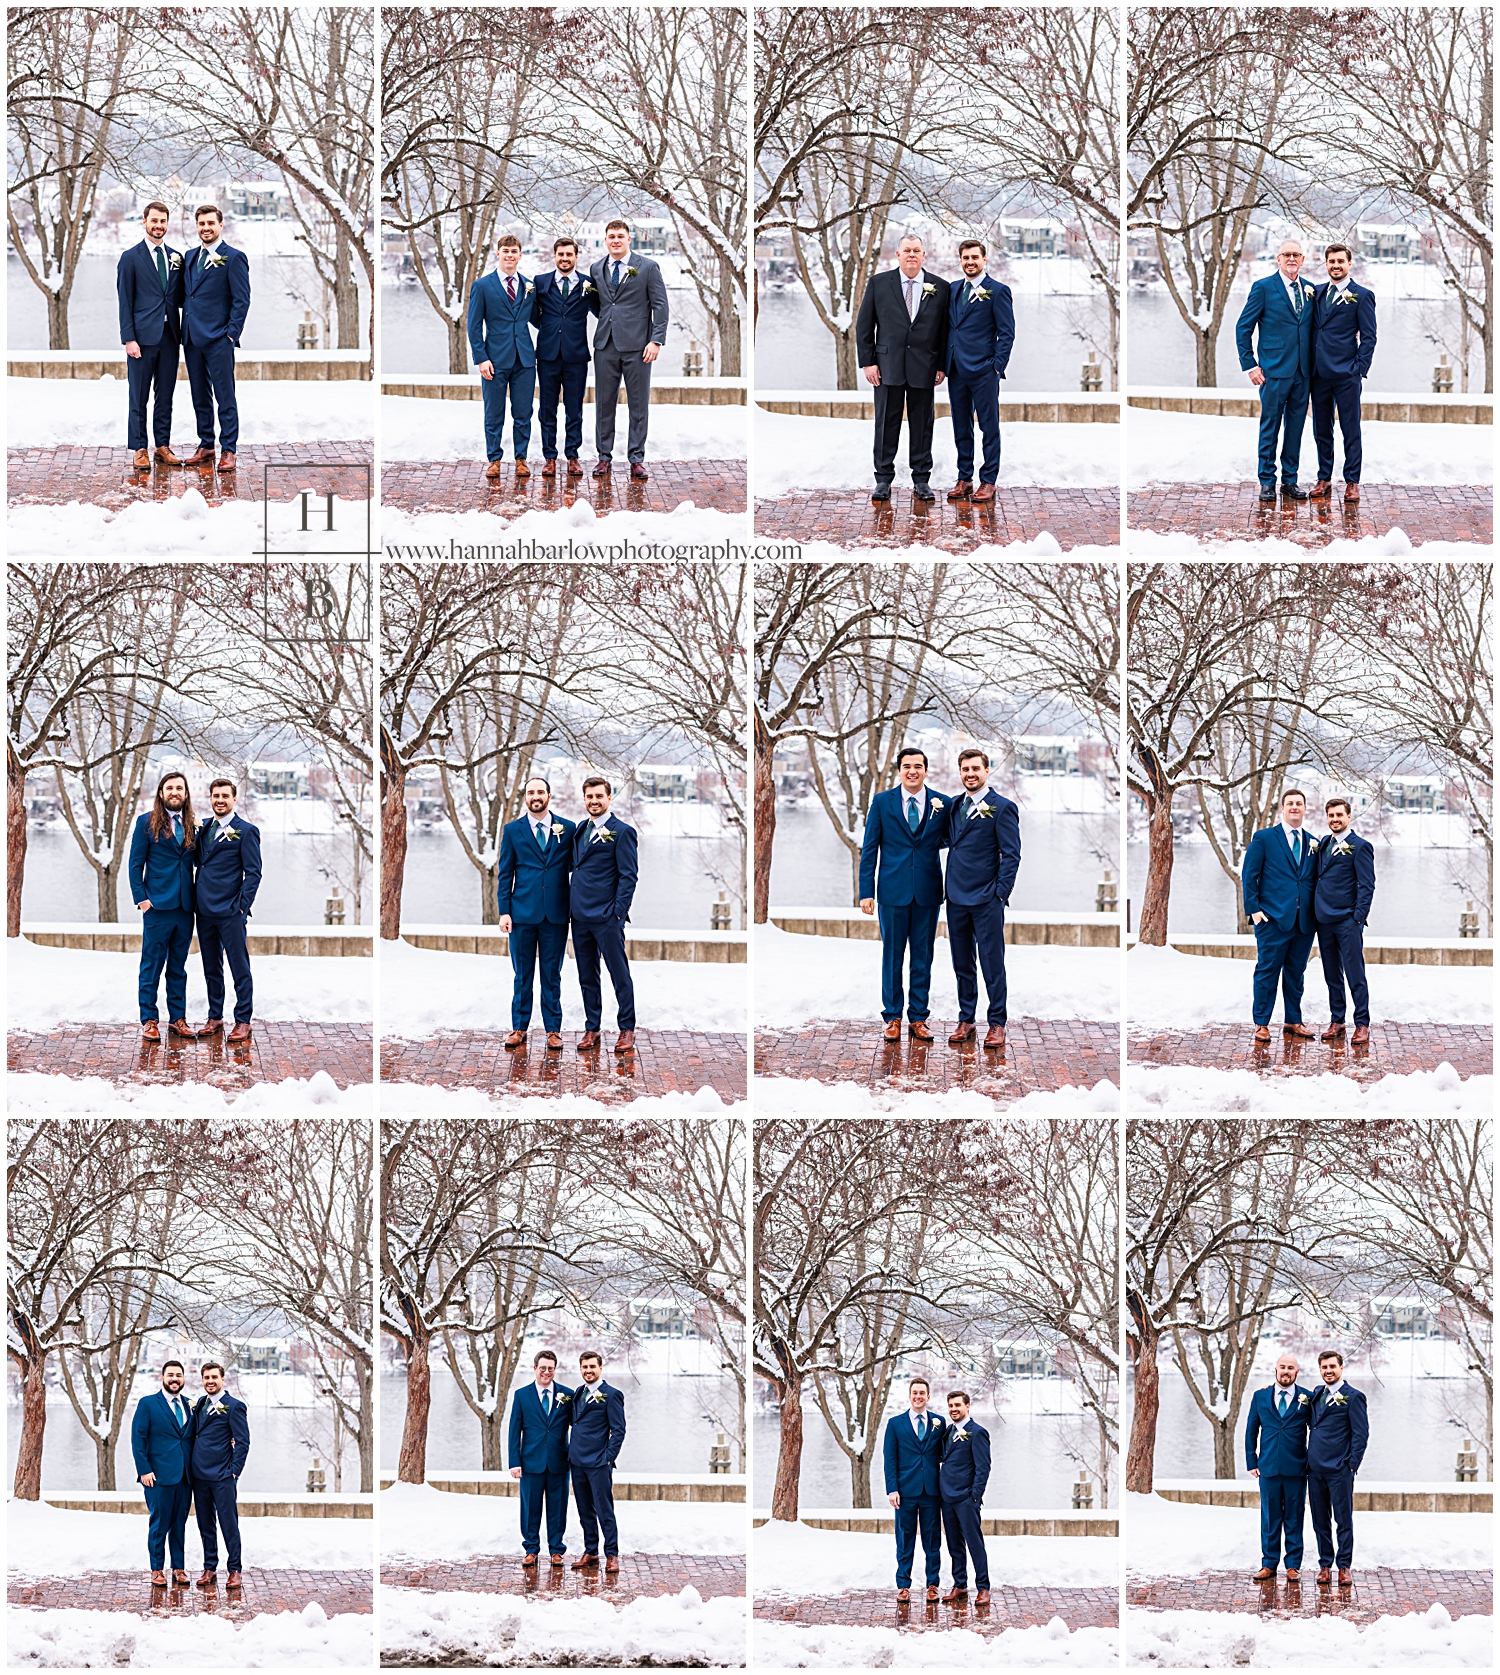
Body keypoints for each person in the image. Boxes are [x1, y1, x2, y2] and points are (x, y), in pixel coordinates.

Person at [858, 748, 950, 1042]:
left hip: (927, 892)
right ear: (900, 770)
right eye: (907, 766)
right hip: (891, 892)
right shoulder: (882, 802)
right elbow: (869, 848)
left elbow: (954, 841)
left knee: (923, 959)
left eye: (918, 766)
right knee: (892, 957)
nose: (913, 771)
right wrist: (865, 892)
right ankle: (892, 1017)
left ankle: (919, 1018)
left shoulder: (942, 804)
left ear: (926, 770)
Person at [855, 235, 950, 503]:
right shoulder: (878, 284)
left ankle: (921, 480)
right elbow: (864, 327)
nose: (911, 255)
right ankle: (883, 479)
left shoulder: (940, 287)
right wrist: (868, 362)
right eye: (907, 250)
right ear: (897, 254)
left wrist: (941, 365)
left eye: (916, 250)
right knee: (886, 423)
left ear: (924, 255)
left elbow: (945, 331)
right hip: (886, 367)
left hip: (925, 367)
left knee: (922, 425)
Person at [943, 749, 1021, 1051]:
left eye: (975, 768)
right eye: (965, 769)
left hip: (987, 899)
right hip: (956, 898)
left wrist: (1000, 894)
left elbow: (1012, 855)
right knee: (962, 963)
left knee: (992, 964)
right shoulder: (953, 806)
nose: (970, 774)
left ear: (987, 771)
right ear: (960, 772)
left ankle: (997, 1022)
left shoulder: (1002, 808)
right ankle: (966, 1019)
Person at [497, 776, 576, 1052]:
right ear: (525, 797)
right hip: (521, 915)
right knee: (522, 975)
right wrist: (504, 912)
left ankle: (553, 1030)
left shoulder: (567, 829)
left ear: (549, 796)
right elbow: (505, 874)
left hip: (555, 915)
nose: (536, 796)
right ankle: (519, 1027)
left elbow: (578, 866)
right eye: (531, 792)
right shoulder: (512, 831)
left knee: (552, 975)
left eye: (540, 792)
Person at [1234, 238, 1316, 503]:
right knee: (1270, 427)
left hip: (1303, 373)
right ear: (1278, 259)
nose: (1292, 259)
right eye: (1286, 254)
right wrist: (1250, 365)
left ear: (1303, 260)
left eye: (1297, 255)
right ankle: (1267, 481)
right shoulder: (1263, 288)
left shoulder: (1310, 289)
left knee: (1295, 427)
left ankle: (1289, 480)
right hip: (1273, 371)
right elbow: (1243, 328)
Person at [587, 220, 669, 479]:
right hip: (605, 346)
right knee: (604, 404)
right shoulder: (596, 268)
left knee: (638, 404)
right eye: (611, 236)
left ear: (629, 239)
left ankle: (636, 458)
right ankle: (603, 457)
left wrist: (656, 341)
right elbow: (600, 304)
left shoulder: (647, 267)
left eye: (620, 236)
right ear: (605, 239)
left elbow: (661, 306)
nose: (615, 241)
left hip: (638, 347)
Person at [1241, 788, 1319, 1043]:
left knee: (1296, 973)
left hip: (1303, 922)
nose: (1295, 807)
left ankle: (1293, 1021)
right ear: (1282, 809)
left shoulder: (1313, 842)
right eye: (1290, 803)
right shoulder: (1264, 838)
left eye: (1299, 803)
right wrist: (1255, 911)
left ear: (1305, 808)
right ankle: (1261, 1023)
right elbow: (1249, 875)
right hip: (1272, 920)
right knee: (1267, 971)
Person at [569, 776, 638, 1055]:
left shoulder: (622, 832)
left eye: (599, 796)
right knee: (587, 975)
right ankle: (592, 1028)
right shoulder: (579, 830)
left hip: (607, 918)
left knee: (619, 973)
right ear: (584, 799)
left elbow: (629, 876)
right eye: (589, 797)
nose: (594, 801)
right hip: (579, 917)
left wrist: (617, 913)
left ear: (609, 798)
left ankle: (627, 1028)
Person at [128, 771, 199, 1043]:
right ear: (161, 792)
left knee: (178, 967)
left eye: (180, 788)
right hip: (156, 906)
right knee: (152, 965)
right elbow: (135, 864)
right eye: (170, 788)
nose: (175, 792)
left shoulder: (193, 824)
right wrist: (142, 899)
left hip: (185, 907)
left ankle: (178, 1019)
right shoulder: (146, 823)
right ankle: (149, 1020)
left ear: (186, 793)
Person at [180, 205, 250, 473]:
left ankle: (228, 449)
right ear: (196, 226)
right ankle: (206, 444)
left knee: (225, 395)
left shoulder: (233, 258)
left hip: (220, 339)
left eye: (210, 223)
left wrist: (231, 334)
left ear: (221, 225)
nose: (205, 228)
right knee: (199, 395)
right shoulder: (189, 257)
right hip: (191, 338)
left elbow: (242, 300)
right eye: (201, 224)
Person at [116, 201, 185, 469]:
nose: (158, 226)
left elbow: (180, 296)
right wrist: (128, 339)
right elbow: (125, 302)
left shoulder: (177, 257)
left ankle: (162, 446)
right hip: (141, 340)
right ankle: (140, 448)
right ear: (144, 222)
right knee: (139, 395)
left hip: (170, 337)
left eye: (163, 221)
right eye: (154, 220)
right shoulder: (130, 258)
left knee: (165, 394)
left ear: (168, 224)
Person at [944, 240, 1013, 503]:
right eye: (965, 257)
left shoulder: (998, 291)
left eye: (974, 257)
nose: (969, 262)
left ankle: (988, 480)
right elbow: (951, 329)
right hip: (956, 369)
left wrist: (996, 366)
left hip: (984, 371)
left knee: (989, 427)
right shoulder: (952, 289)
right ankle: (964, 478)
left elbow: (1007, 333)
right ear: (960, 260)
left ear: (984, 259)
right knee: (961, 426)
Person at [193, 778, 262, 1042]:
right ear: (210, 798)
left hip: (231, 912)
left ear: (234, 799)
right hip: (204, 911)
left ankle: (243, 1020)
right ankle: (215, 1016)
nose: (219, 800)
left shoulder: (246, 831)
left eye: (225, 795)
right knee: (211, 967)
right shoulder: (204, 828)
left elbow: (254, 873)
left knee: (238, 966)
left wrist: (242, 906)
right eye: (215, 795)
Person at [1309, 243, 1377, 503]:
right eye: (1331, 261)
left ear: (1349, 264)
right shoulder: (1315, 293)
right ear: (1326, 264)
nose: (1335, 265)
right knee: (1321, 428)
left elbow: (1369, 337)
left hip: (1347, 374)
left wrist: (1359, 368)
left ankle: (1352, 481)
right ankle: (1324, 477)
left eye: (1340, 261)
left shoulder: (1362, 295)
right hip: (1318, 374)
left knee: (1351, 428)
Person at [469, 233, 538, 481]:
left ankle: (521, 459)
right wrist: (481, 358)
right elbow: (474, 326)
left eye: (514, 251)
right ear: (498, 254)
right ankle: (494, 460)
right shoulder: (482, 286)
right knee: (493, 412)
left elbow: (539, 319)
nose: (510, 255)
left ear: (520, 255)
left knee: (523, 413)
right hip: (494, 360)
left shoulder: (530, 286)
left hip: (525, 361)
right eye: (505, 251)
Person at [1244, 1353, 1313, 1582]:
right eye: (1282, 1367)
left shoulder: (1308, 1397)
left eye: (1290, 1367)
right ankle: (1268, 1564)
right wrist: (1251, 1461)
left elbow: (1319, 1429)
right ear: (1275, 1370)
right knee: (1269, 1517)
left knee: (1294, 1517)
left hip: (1296, 1468)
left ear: (1297, 1372)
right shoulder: (1260, 1396)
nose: (1286, 1371)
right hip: (1268, 1469)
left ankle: (1293, 1565)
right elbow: (1251, 1430)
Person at [1314, 796, 1376, 1045]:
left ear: (1349, 816)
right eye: (1331, 815)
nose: (1335, 819)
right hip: (1323, 921)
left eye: (1339, 815)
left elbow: (1367, 886)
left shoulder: (1360, 846)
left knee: (1355, 973)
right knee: (1332, 975)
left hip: (1347, 921)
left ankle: (1362, 1023)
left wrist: (1357, 919)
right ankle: (1337, 1020)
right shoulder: (1323, 844)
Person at [530, 237, 593, 477]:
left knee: (574, 408)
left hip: (576, 354)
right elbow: (533, 314)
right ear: (554, 256)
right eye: (561, 254)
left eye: (569, 254)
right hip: (548, 354)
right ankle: (549, 456)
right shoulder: (540, 282)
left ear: (576, 257)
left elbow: (600, 309)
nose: (565, 258)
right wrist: (549, 329)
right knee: (547, 408)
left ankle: (573, 455)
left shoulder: (589, 284)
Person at [129, 1359, 196, 1586]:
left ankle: (178, 1568)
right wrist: (144, 1470)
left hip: (185, 1477)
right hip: (157, 1477)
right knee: (159, 1524)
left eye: (179, 1375)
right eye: (171, 1375)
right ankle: (157, 1569)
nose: (175, 1379)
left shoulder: (190, 1405)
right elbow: (138, 1439)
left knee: (179, 1524)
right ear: (163, 1377)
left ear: (183, 1378)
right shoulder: (148, 1404)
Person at [506, 1349, 574, 1568]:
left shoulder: (568, 1395)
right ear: (535, 1368)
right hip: (530, 1463)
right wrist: (514, 1462)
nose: (546, 1372)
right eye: (543, 1368)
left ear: (555, 1370)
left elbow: (580, 1426)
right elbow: (514, 1431)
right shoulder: (521, 1395)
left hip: (559, 1462)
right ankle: (531, 1549)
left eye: (550, 1368)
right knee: (530, 1509)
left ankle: (556, 1551)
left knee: (558, 1508)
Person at [1307, 1349, 1368, 1586]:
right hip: (1314, 1470)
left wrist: (1350, 1465)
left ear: (1341, 1368)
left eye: (1332, 1366)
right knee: (1319, 1520)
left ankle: (1344, 1566)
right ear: (1320, 1370)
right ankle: (1325, 1565)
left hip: (1339, 1470)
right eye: (1324, 1367)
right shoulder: (1315, 1394)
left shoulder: (1353, 1397)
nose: (1328, 1371)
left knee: (1343, 1520)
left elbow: (1361, 1435)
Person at [882, 1376, 946, 1602]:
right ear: (909, 1396)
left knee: (932, 1541)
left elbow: (943, 1455)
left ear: (928, 1397)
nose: (918, 1396)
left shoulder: (939, 1422)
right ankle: (903, 1585)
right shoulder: (895, 1424)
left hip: (931, 1492)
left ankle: (932, 1584)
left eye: (922, 1393)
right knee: (904, 1539)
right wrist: (892, 1489)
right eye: (914, 1393)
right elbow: (889, 1459)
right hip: (905, 1492)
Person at [190, 1361, 250, 1589]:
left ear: (222, 1379)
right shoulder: (200, 1405)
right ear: (203, 1380)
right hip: (199, 1476)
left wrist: (234, 1471)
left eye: (214, 1377)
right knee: (205, 1525)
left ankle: (235, 1569)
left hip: (223, 1476)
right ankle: (209, 1568)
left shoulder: (234, 1406)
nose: (210, 1381)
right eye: (206, 1378)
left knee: (228, 1525)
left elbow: (243, 1442)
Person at [567, 1351, 626, 1572]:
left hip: (599, 1463)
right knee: (584, 1510)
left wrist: (608, 1458)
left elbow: (619, 1431)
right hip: (577, 1462)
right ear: (580, 1369)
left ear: (600, 1368)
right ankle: (591, 1551)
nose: (588, 1371)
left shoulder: (612, 1395)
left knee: (604, 1510)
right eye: (584, 1367)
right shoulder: (577, 1393)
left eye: (592, 1367)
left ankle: (612, 1554)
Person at [938, 1390, 991, 1604]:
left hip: (966, 1500)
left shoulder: (977, 1433)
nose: (954, 1409)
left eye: (958, 1405)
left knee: (974, 1543)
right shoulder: (948, 1432)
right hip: (947, 1498)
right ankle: (960, 1585)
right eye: (951, 1405)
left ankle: (983, 1587)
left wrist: (975, 1497)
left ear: (967, 1406)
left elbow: (983, 1467)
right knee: (954, 1545)